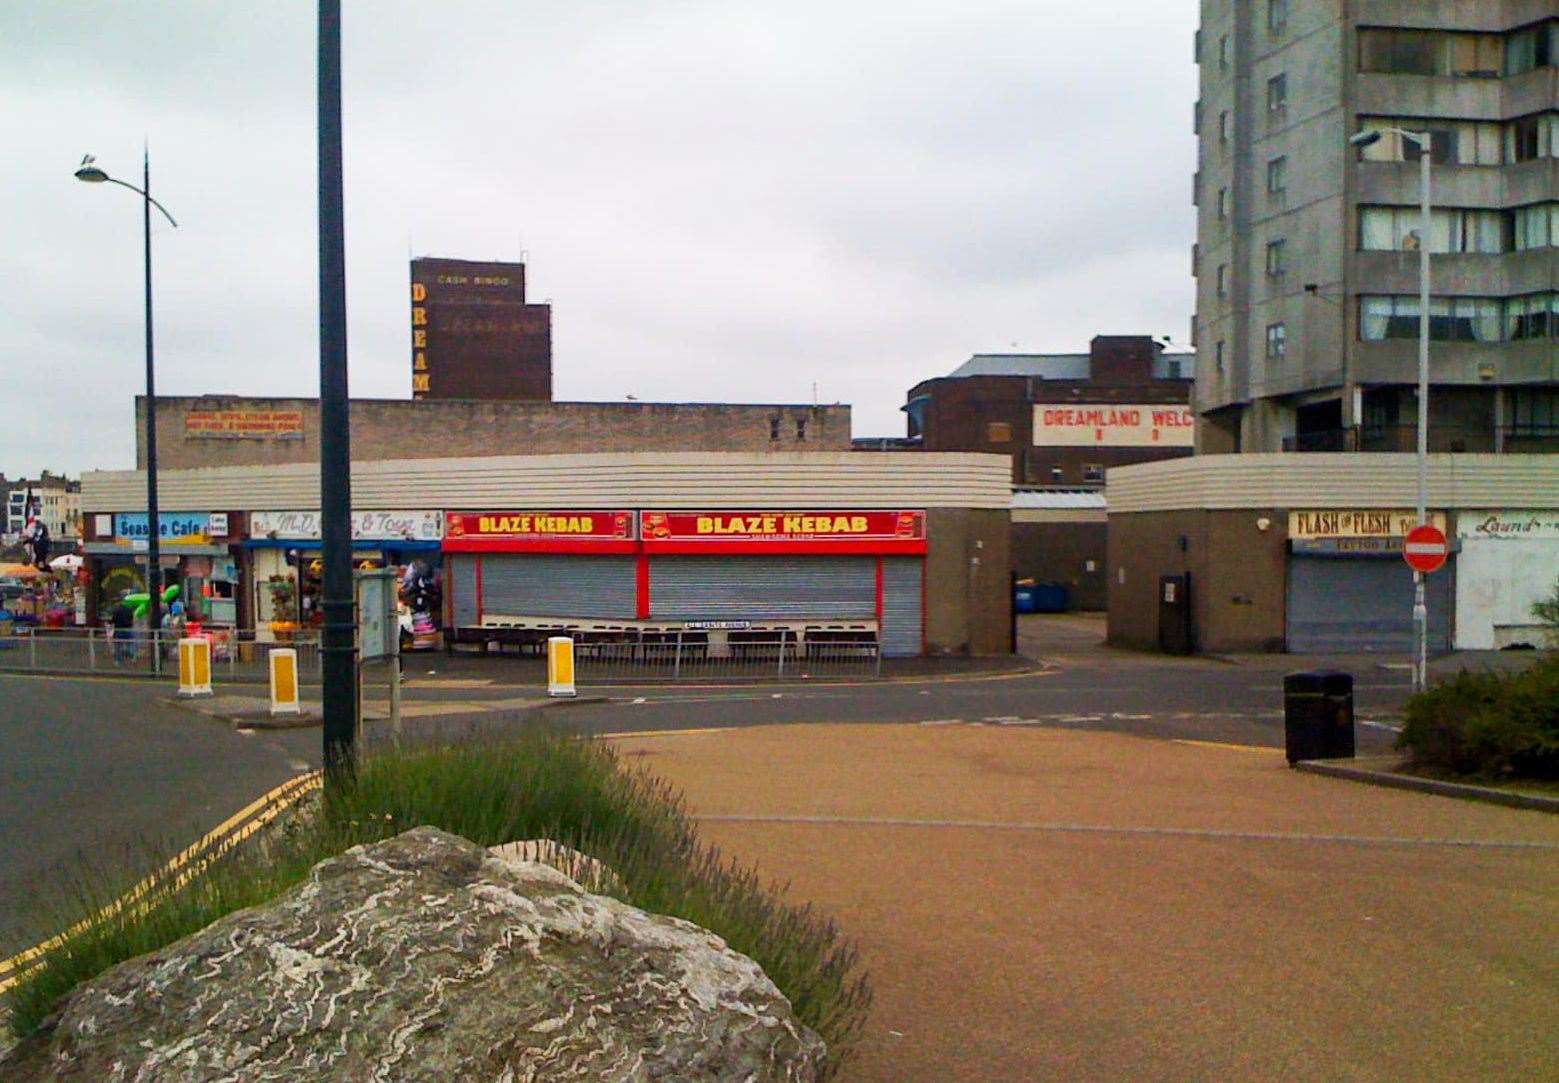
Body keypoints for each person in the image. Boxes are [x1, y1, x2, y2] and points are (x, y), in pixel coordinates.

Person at [111, 593, 136, 664]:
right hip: (128, 628)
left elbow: (113, 619)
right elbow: (131, 618)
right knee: (130, 643)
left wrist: (110, 623)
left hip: (119, 629)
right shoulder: (129, 609)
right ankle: (131, 656)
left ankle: (118, 661)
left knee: (118, 645)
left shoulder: (116, 609)